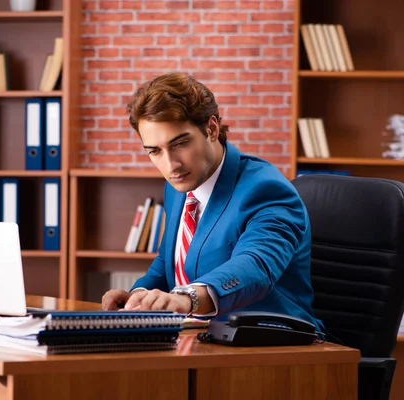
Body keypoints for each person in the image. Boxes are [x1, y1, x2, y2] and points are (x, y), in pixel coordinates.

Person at [101, 72, 322, 332]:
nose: (170, 165)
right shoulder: (180, 186)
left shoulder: (266, 190)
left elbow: (256, 265)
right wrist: (138, 296)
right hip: (202, 337)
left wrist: (185, 299)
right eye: (155, 151)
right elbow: (169, 262)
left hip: (272, 344)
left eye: (180, 143)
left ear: (212, 129)